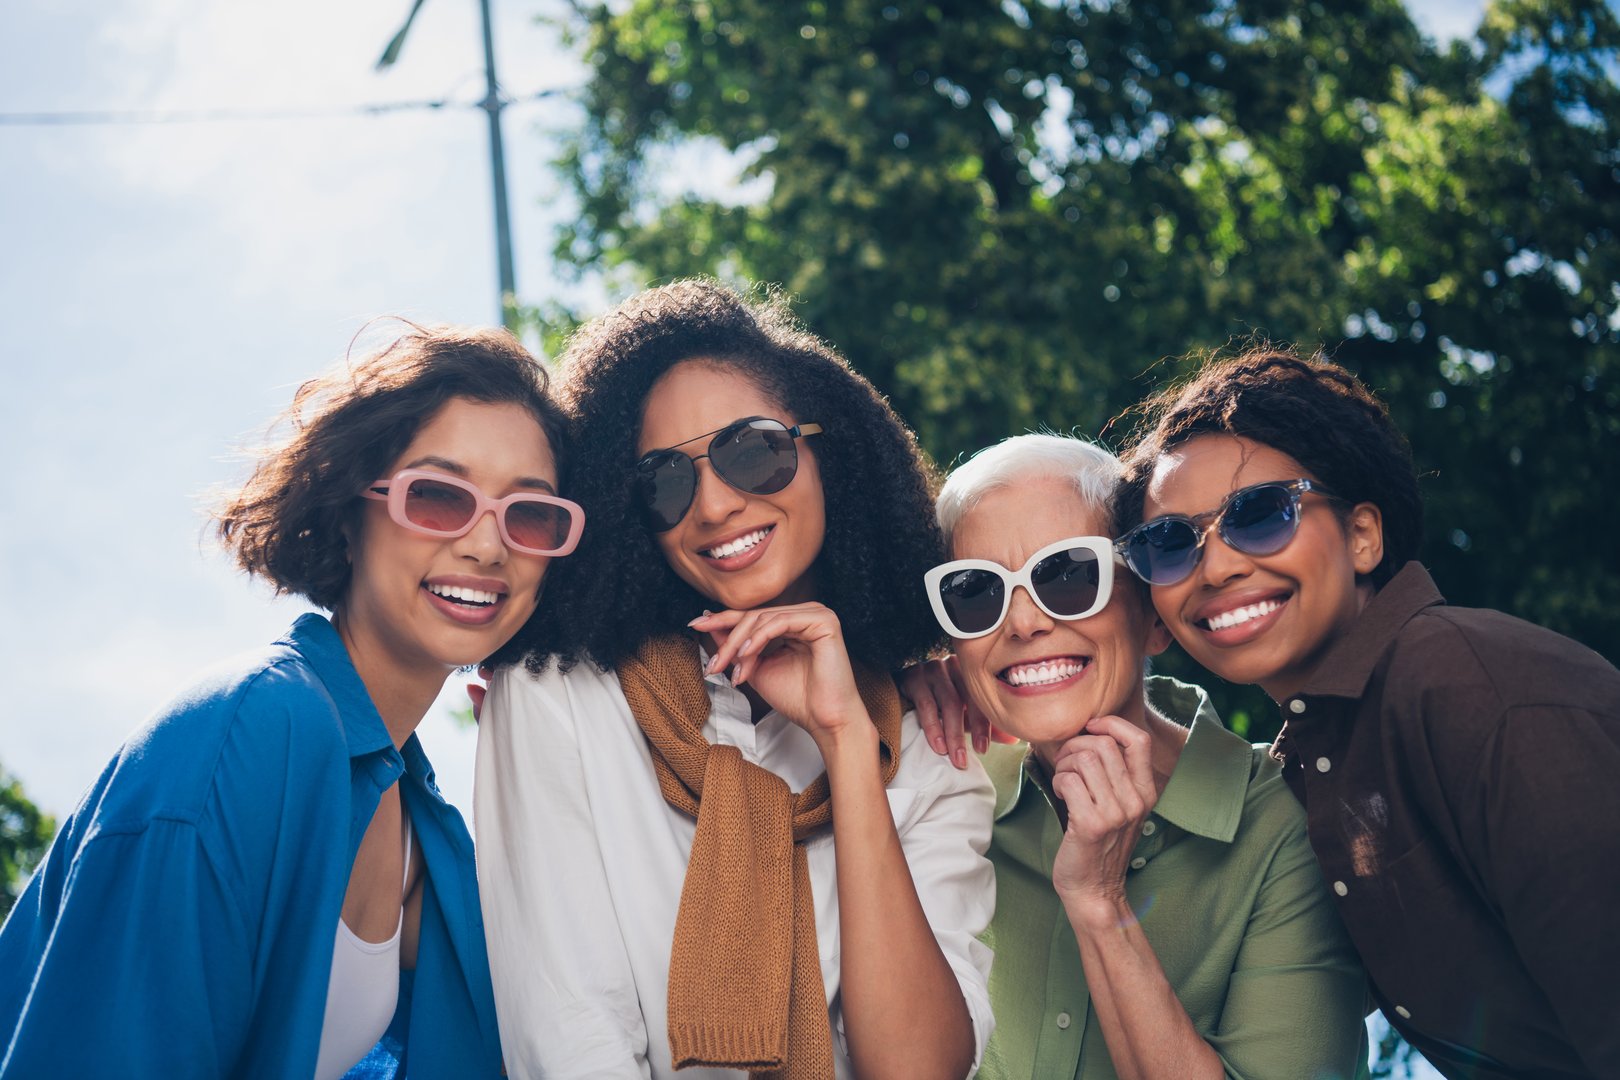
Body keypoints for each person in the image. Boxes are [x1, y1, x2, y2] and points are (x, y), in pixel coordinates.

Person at [0, 324, 582, 1079]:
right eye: (439, 497)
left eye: (531, 514)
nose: (487, 545)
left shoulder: (429, 828)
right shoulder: (257, 726)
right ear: (350, 514)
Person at [474, 279, 996, 1080]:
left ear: (830, 453)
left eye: (753, 451)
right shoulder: (559, 694)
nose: (714, 505)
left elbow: (920, 1070)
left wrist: (849, 743)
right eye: (665, 483)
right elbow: (569, 1034)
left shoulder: (926, 745)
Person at [1111, 346, 1620, 1079]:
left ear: (1362, 536)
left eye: (1259, 515)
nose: (1217, 566)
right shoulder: (1305, 767)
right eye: (1169, 544)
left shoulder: (1478, 691)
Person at [914, 432, 1367, 1080]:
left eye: (1068, 575)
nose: (1021, 624)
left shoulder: (1288, 827)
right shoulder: (939, 791)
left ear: (1154, 615)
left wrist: (1101, 904)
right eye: (975, 591)